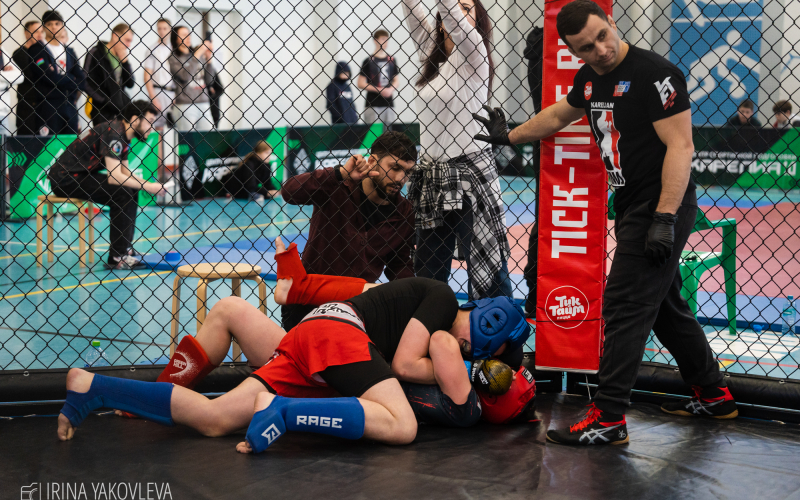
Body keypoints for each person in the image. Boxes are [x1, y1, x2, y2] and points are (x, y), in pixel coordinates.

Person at [473, 0, 737, 446]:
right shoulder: (590, 78)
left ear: (612, 23)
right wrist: (510, 135)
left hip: (659, 205)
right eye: (586, 47)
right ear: (572, 51)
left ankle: (609, 417)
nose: (600, 49)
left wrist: (664, 217)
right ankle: (714, 395)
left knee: (623, 305)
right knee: (665, 308)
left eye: (602, 36)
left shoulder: (657, 74)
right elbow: (560, 114)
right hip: (633, 204)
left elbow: (681, 147)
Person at [57, 242, 531, 451]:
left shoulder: (426, 305)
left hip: (316, 336)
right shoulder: (443, 301)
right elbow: (406, 365)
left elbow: (362, 298)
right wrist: (468, 376)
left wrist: (300, 288)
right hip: (339, 336)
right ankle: (283, 411)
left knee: (215, 419)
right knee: (403, 426)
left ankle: (96, 388)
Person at [402, 0, 512, 300]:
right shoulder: (431, 55)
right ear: (439, 24)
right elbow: (412, 9)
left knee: (488, 266)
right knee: (428, 268)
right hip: (433, 175)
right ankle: (429, 321)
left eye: (467, 7)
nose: (459, 13)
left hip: (471, 173)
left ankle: (498, 324)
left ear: (477, 20)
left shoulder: (476, 54)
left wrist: (452, 11)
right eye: (456, 7)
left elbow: (455, 21)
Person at [280, 131, 417, 330]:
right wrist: (340, 173)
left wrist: (412, 296)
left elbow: (399, 263)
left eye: (407, 172)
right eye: (394, 167)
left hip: (354, 309)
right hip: (309, 302)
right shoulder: (338, 186)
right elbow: (289, 192)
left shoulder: (404, 212)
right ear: (372, 161)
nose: (400, 178)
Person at [47, 100, 165, 270]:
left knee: (131, 189)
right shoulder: (114, 134)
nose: (151, 128)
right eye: (149, 122)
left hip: (80, 175)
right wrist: (149, 187)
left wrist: (150, 184)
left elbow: (125, 173)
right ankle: (117, 257)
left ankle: (125, 248)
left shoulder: (123, 135)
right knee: (122, 192)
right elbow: (114, 177)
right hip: (65, 179)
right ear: (134, 119)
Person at [27, 10, 86, 135]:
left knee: (71, 144)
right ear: (44, 27)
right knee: (48, 144)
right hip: (48, 107)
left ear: (62, 26)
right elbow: (49, 78)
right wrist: (71, 78)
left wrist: (61, 78)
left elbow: (82, 80)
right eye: (49, 24)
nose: (54, 27)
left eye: (57, 24)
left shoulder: (69, 52)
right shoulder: (37, 50)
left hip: (70, 106)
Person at [84, 24, 135, 125]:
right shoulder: (96, 53)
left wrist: (125, 63)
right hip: (101, 110)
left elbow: (130, 83)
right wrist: (104, 101)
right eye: (127, 40)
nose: (128, 45)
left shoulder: (122, 56)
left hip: (120, 110)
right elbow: (86, 81)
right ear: (115, 36)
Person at [168, 25, 216, 132]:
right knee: (188, 139)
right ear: (176, 39)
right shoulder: (173, 58)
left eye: (189, 34)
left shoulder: (198, 55)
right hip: (185, 105)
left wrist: (209, 60)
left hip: (204, 102)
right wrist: (197, 54)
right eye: (184, 35)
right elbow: (185, 76)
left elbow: (209, 81)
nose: (188, 37)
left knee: (209, 137)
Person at [144, 18, 174, 175]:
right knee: (158, 131)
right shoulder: (152, 49)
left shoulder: (175, 48)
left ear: (170, 30)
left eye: (165, 28)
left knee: (178, 131)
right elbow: (147, 75)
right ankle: (158, 169)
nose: (162, 31)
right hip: (158, 91)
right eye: (160, 28)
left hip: (174, 92)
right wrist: (153, 97)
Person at [357, 30, 400, 128]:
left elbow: (396, 80)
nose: (385, 42)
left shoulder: (391, 60)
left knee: (388, 133)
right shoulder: (368, 61)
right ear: (375, 40)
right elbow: (360, 83)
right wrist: (379, 90)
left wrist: (390, 90)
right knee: (373, 132)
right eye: (383, 39)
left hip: (388, 103)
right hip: (373, 103)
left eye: (387, 40)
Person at [13, 21, 45, 135]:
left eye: (42, 31)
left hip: (43, 106)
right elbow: (32, 74)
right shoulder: (20, 53)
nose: (40, 35)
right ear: (26, 34)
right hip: (27, 107)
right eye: (36, 31)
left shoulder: (44, 52)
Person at [0, 39, 22, 135]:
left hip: (3, 112)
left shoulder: (1, 51)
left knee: (4, 142)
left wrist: (1, 74)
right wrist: (5, 74)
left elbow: (19, 76)